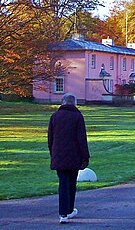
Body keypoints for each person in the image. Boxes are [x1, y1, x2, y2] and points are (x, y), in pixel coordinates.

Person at [48, 93, 89, 224]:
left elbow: (50, 138)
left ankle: (63, 213)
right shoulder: (78, 117)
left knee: (63, 184)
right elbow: (82, 139)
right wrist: (85, 156)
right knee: (72, 183)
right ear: (74, 103)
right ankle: (69, 209)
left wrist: (52, 153)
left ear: (62, 102)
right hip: (74, 155)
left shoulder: (54, 117)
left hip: (59, 155)